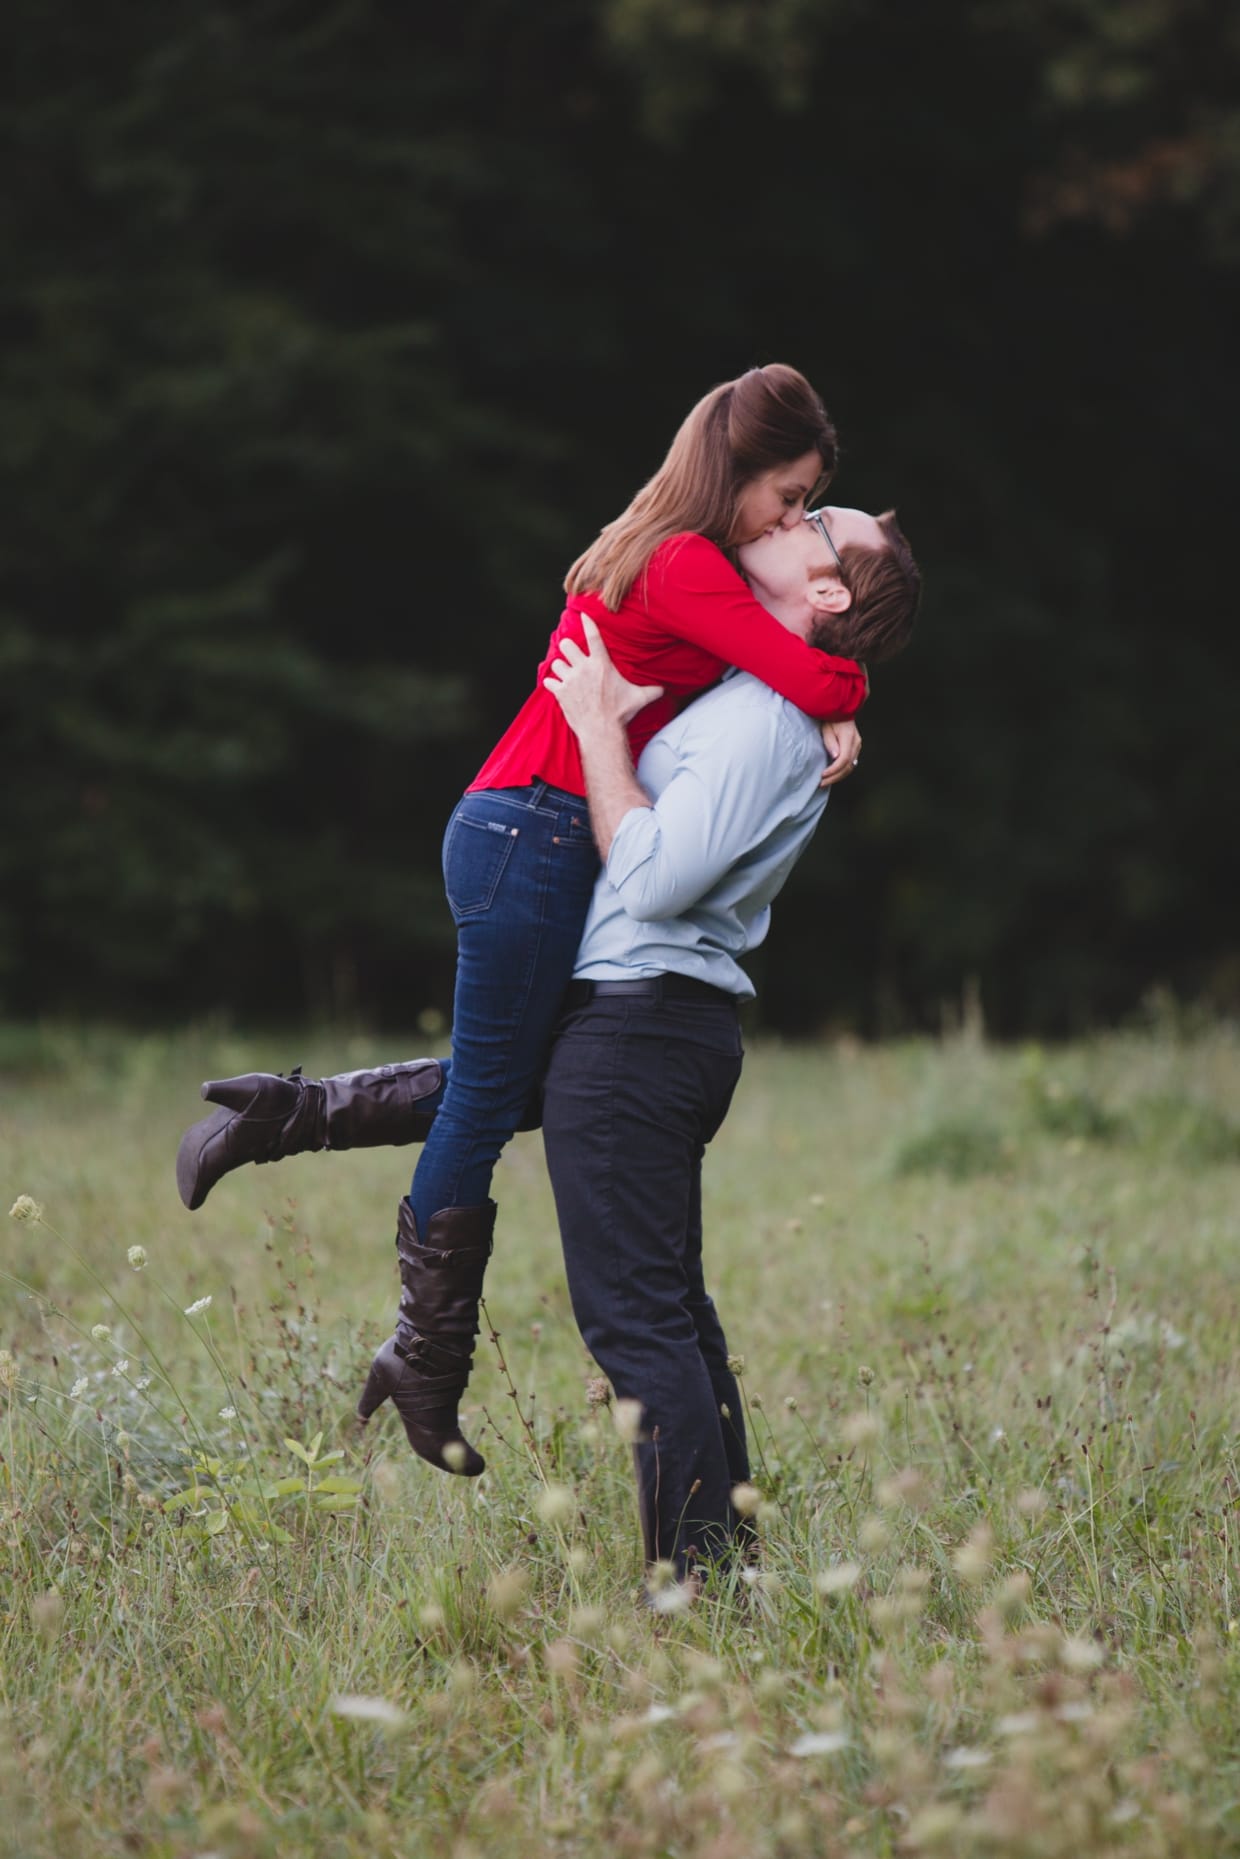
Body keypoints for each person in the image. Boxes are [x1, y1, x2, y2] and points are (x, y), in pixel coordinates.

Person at [179, 364, 903, 1479]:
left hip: (536, 825)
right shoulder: (686, 563)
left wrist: (819, 698)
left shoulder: (682, 557)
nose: (792, 517)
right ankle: (424, 1356)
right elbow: (803, 676)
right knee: (491, 1091)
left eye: (810, 510)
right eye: (792, 495)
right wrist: (837, 702)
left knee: (521, 1077)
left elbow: (772, 683)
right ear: (742, 473)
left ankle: (285, 1115)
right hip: (533, 829)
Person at [535, 504, 920, 1585]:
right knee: (669, 1311)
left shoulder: (758, 721)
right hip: (654, 1024)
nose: (789, 512)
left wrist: (599, 728)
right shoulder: (765, 696)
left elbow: (654, 880)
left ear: (829, 591)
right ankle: (728, 1569)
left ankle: (695, 1588)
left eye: (815, 518)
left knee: (637, 1323)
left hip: (641, 1025)